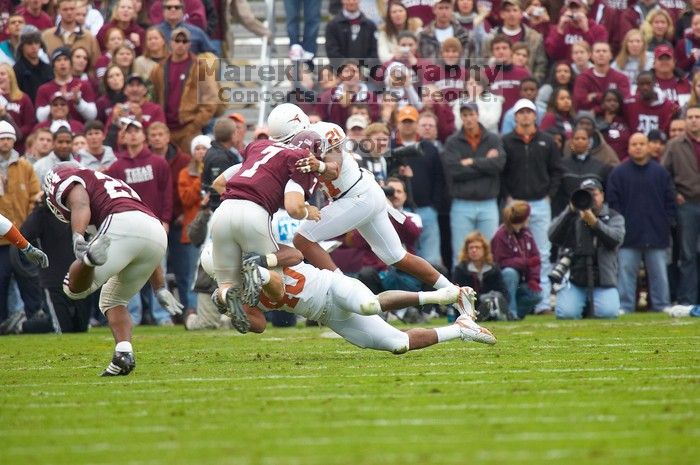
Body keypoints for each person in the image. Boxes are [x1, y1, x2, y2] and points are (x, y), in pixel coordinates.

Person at [289, 120, 459, 306]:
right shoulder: (302, 144)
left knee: (302, 239)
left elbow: (333, 170)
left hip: (357, 197)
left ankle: (344, 290)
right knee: (396, 257)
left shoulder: (325, 134)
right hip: (364, 195)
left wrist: (319, 167)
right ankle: (455, 291)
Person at [200, 242, 497, 349]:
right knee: (397, 345)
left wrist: (264, 265)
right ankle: (461, 330)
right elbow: (260, 325)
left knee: (368, 305)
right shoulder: (232, 292)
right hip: (327, 315)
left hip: (331, 286)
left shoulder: (256, 253)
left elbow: (295, 254)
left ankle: (440, 296)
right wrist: (233, 311)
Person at [42, 161, 181, 375]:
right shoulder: (114, 184)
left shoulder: (68, 177)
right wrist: (160, 287)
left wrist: (77, 235)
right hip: (155, 232)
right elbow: (141, 232)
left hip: (120, 222)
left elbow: (80, 202)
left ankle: (89, 259)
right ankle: (123, 354)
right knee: (112, 299)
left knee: (73, 289)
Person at [209, 103, 319, 333]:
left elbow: (218, 183)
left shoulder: (256, 146)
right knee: (277, 291)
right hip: (254, 213)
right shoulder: (298, 155)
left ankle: (224, 295)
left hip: (223, 210)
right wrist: (309, 211)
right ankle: (258, 271)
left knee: (227, 285)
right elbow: (293, 207)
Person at [501, 98, 563, 314]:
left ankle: (543, 303)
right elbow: (501, 172)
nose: (526, 115)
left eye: (529, 112)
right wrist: (507, 197)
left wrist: (550, 195)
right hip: (515, 202)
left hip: (540, 202)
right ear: (515, 116)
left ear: (535, 115)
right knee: (511, 253)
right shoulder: (506, 141)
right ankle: (514, 303)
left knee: (543, 253)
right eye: (522, 112)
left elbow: (557, 170)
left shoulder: (547, 141)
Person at [606, 132, 675, 312]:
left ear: (648, 147)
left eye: (641, 144)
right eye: (634, 144)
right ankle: (625, 306)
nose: (638, 147)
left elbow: (670, 201)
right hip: (628, 235)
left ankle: (661, 306)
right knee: (626, 274)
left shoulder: (660, 173)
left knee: (659, 274)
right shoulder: (618, 173)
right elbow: (613, 204)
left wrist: (666, 223)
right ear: (628, 147)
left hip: (657, 233)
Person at [549, 178, 626, 319]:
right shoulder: (572, 216)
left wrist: (595, 223)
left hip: (603, 278)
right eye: (586, 195)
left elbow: (615, 240)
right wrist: (569, 211)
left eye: (594, 194)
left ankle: (591, 304)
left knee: (608, 313)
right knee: (567, 314)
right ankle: (580, 304)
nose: (591, 199)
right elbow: (552, 236)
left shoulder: (614, 217)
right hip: (574, 277)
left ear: (602, 195)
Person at [444, 100, 505, 264]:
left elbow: (498, 165)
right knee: (460, 254)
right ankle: (460, 290)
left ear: (477, 115)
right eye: (465, 115)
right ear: (461, 117)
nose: (469, 118)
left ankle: (488, 289)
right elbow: (454, 171)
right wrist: (485, 163)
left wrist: (471, 162)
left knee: (490, 252)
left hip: (488, 203)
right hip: (462, 204)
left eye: (471, 114)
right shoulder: (452, 141)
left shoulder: (493, 139)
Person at [0, 121, 43, 325]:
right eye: (1, 138)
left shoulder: (24, 165)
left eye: (8, 138)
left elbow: (35, 195)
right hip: (1, 238)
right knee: (1, 280)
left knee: (29, 279)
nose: (5, 142)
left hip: (22, 232)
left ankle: (35, 318)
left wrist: (30, 224)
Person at [150, 27, 218, 153]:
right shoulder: (158, 69)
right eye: (177, 40)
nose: (180, 44)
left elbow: (210, 100)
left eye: (184, 41)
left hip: (189, 129)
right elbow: (152, 96)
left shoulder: (200, 67)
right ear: (170, 42)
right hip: (165, 129)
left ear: (190, 44)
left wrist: (195, 125)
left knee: (190, 167)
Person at [662, 106, 700, 305]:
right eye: (690, 117)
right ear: (685, 121)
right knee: (687, 254)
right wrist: (674, 193)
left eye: (697, 117)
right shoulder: (675, 145)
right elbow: (663, 174)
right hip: (687, 204)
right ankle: (687, 300)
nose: (694, 120)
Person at [491, 200, 542, 319]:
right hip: (505, 281)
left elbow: (536, 258)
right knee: (510, 273)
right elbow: (500, 262)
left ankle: (510, 313)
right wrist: (525, 263)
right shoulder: (501, 235)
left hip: (523, 280)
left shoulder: (527, 234)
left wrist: (534, 279)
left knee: (537, 295)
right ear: (522, 218)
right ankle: (511, 313)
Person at [452, 231, 508, 317]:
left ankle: (496, 312)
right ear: (467, 250)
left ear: (484, 250)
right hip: (469, 308)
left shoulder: (493, 269)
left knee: (497, 298)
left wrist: (496, 295)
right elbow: (458, 295)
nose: (474, 250)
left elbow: (504, 292)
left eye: (477, 247)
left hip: (492, 303)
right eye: (471, 248)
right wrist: (481, 298)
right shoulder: (460, 270)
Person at [35, 47, 98, 125]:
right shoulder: (44, 89)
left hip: (78, 131)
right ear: (53, 65)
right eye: (58, 60)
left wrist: (78, 102)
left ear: (71, 63)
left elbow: (92, 116)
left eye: (66, 59)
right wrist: (57, 98)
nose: (62, 63)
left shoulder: (83, 85)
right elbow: (40, 118)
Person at [573, 41, 631, 113]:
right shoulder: (582, 78)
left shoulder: (621, 78)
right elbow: (580, 102)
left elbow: (623, 101)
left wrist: (595, 97)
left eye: (604, 51)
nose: (601, 54)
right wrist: (610, 99)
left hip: (614, 116)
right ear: (591, 56)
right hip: (589, 118)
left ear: (611, 55)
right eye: (597, 51)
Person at [201, 117, 243, 211]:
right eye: (236, 132)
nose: (237, 134)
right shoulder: (220, 159)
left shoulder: (214, 152)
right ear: (232, 135)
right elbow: (220, 188)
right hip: (221, 209)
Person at [324, 0, 379, 70]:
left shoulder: (370, 26)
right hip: (340, 73)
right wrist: (347, 68)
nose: (351, 2)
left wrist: (362, 68)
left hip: (365, 74)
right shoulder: (332, 25)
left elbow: (374, 52)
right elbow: (332, 51)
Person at [623, 71, 677, 137]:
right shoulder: (629, 103)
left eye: (648, 84)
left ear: (654, 83)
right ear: (637, 85)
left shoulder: (667, 105)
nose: (645, 87)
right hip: (637, 144)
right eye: (641, 84)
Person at [13, 25, 53, 105]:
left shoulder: (48, 68)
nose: (34, 46)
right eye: (29, 43)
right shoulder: (16, 70)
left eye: (37, 42)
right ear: (22, 46)